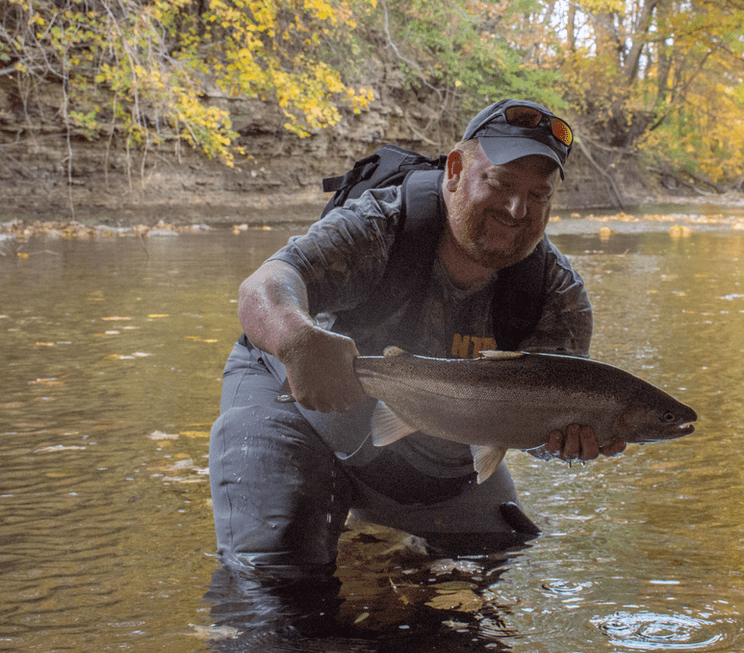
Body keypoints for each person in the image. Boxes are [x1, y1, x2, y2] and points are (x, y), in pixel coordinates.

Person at [208, 99, 626, 579]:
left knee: (483, 572)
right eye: (501, 184)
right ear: (455, 171)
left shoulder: (557, 293)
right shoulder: (381, 225)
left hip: (428, 449)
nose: (517, 209)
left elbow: (538, 433)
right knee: (279, 584)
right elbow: (263, 287)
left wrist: (563, 443)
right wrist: (296, 339)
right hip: (298, 407)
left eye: (539, 195)